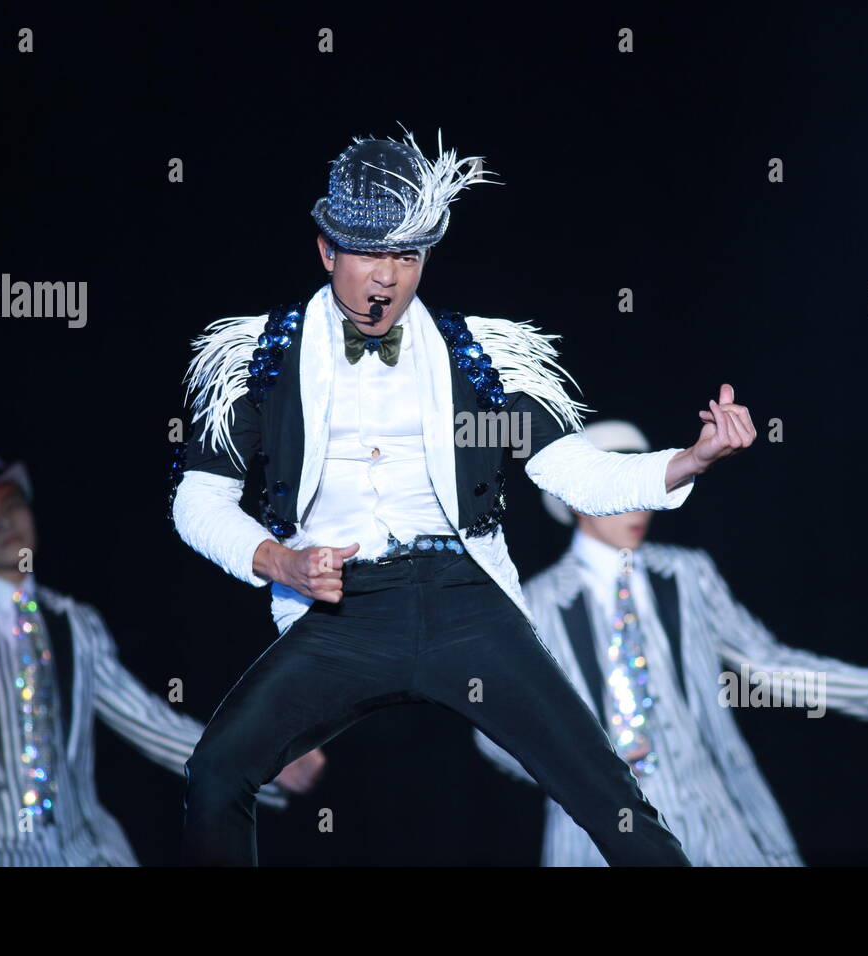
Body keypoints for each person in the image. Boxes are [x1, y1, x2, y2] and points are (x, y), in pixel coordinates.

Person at [170, 127, 759, 865]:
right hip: (337, 609)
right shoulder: (257, 359)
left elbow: (574, 471)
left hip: (464, 603)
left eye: (406, 257)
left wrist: (690, 459)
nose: (385, 278)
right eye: (368, 253)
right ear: (326, 249)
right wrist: (276, 561)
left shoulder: (475, 358)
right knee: (218, 770)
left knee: (608, 794)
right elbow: (198, 500)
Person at [474, 420, 868, 865]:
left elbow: (769, 664)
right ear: (582, 498)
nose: (642, 508)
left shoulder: (686, 574)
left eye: (645, 491)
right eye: (624, 492)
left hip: (718, 816)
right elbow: (497, 731)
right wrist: (581, 761)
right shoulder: (534, 603)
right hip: (598, 836)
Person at [0, 451, 319, 865]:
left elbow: (150, 722)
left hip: (77, 852)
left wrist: (257, 758)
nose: (3, 521)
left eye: (12, 504)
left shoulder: (74, 622)